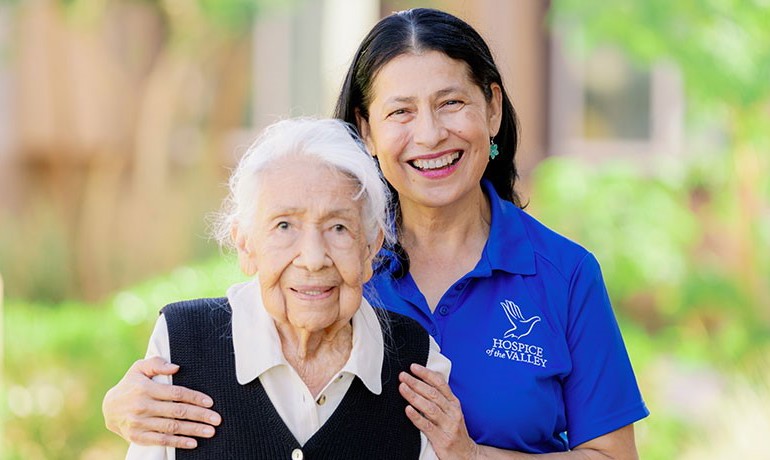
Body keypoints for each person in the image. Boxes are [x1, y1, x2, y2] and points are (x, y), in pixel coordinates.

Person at [104, 8, 648, 458]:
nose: (430, 135)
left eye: (451, 102)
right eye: (400, 112)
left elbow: (612, 455)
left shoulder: (565, 274)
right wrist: (121, 406)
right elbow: (236, 362)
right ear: (366, 130)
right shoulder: (332, 258)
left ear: (493, 108)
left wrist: (475, 457)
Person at [122, 117, 451, 459]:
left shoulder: (415, 359)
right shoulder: (182, 344)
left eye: (338, 227)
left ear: (369, 248)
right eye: (284, 226)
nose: (313, 258)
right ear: (246, 245)